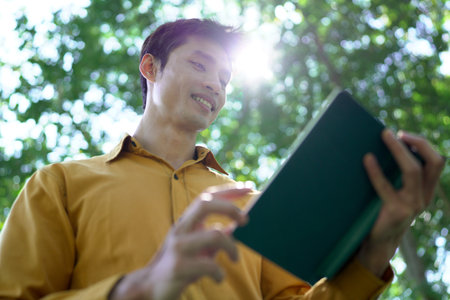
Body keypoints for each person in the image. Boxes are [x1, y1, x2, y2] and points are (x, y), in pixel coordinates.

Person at [0, 18, 445, 300]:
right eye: (199, 65)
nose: (215, 84)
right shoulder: (59, 183)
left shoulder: (255, 207)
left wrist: (378, 247)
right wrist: (136, 289)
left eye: (226, 78)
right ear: (150, 68)